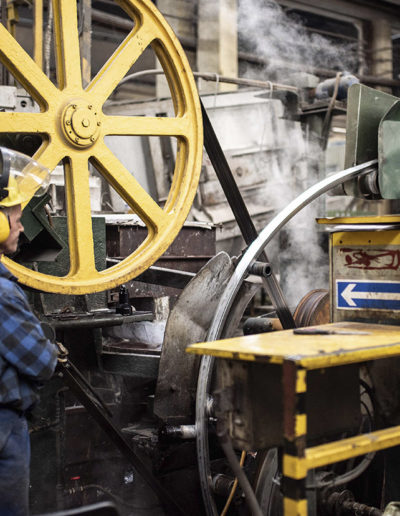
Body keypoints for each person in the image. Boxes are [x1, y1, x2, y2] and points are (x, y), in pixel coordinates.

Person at [0, 147, 58, 515]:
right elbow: (41, 363)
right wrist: (50, 348)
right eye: (16, 219)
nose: (21, 227)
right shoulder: (2, 295)